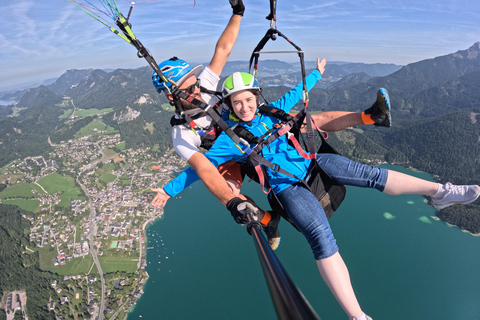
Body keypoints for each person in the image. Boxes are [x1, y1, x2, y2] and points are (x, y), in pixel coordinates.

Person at [152, 60, 480, 319]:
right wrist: (168, 190)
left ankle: (441, 191)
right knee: (321, 237)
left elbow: (295, 94)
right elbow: (202, 169)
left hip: (313, 162)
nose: (244, 107)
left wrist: (316, 74)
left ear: (257, 98)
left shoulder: (270, 110)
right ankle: (356, 315)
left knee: (371, 175)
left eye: (248, 100)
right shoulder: (227, 141)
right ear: (230, 106)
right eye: (237, 103)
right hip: (286, 187)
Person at [151, 54, 392, 248]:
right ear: (173, 96)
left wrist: (237, 12)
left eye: (194, 84)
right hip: (228, 154)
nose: (195, 89)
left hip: (252, 136)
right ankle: (268, 221)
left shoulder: (208, 88)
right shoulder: (181, 131)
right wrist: (168, 190)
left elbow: (224, 49)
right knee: (229, 190)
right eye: (187, 88)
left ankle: (372, 116)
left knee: (311, 120)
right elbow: (201, 167)